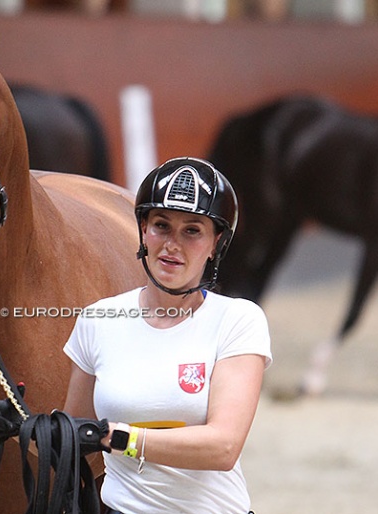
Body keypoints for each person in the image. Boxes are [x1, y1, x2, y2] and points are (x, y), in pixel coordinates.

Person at [62, 156, 272, 513]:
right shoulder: (98, 319)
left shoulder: (239, 320)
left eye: (192, 230)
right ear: (143, 230)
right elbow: (74, 433)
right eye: (161, 225)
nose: (172, 244)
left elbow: (222, 447)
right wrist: (26, 429)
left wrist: (119, 438)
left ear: (215, 243)